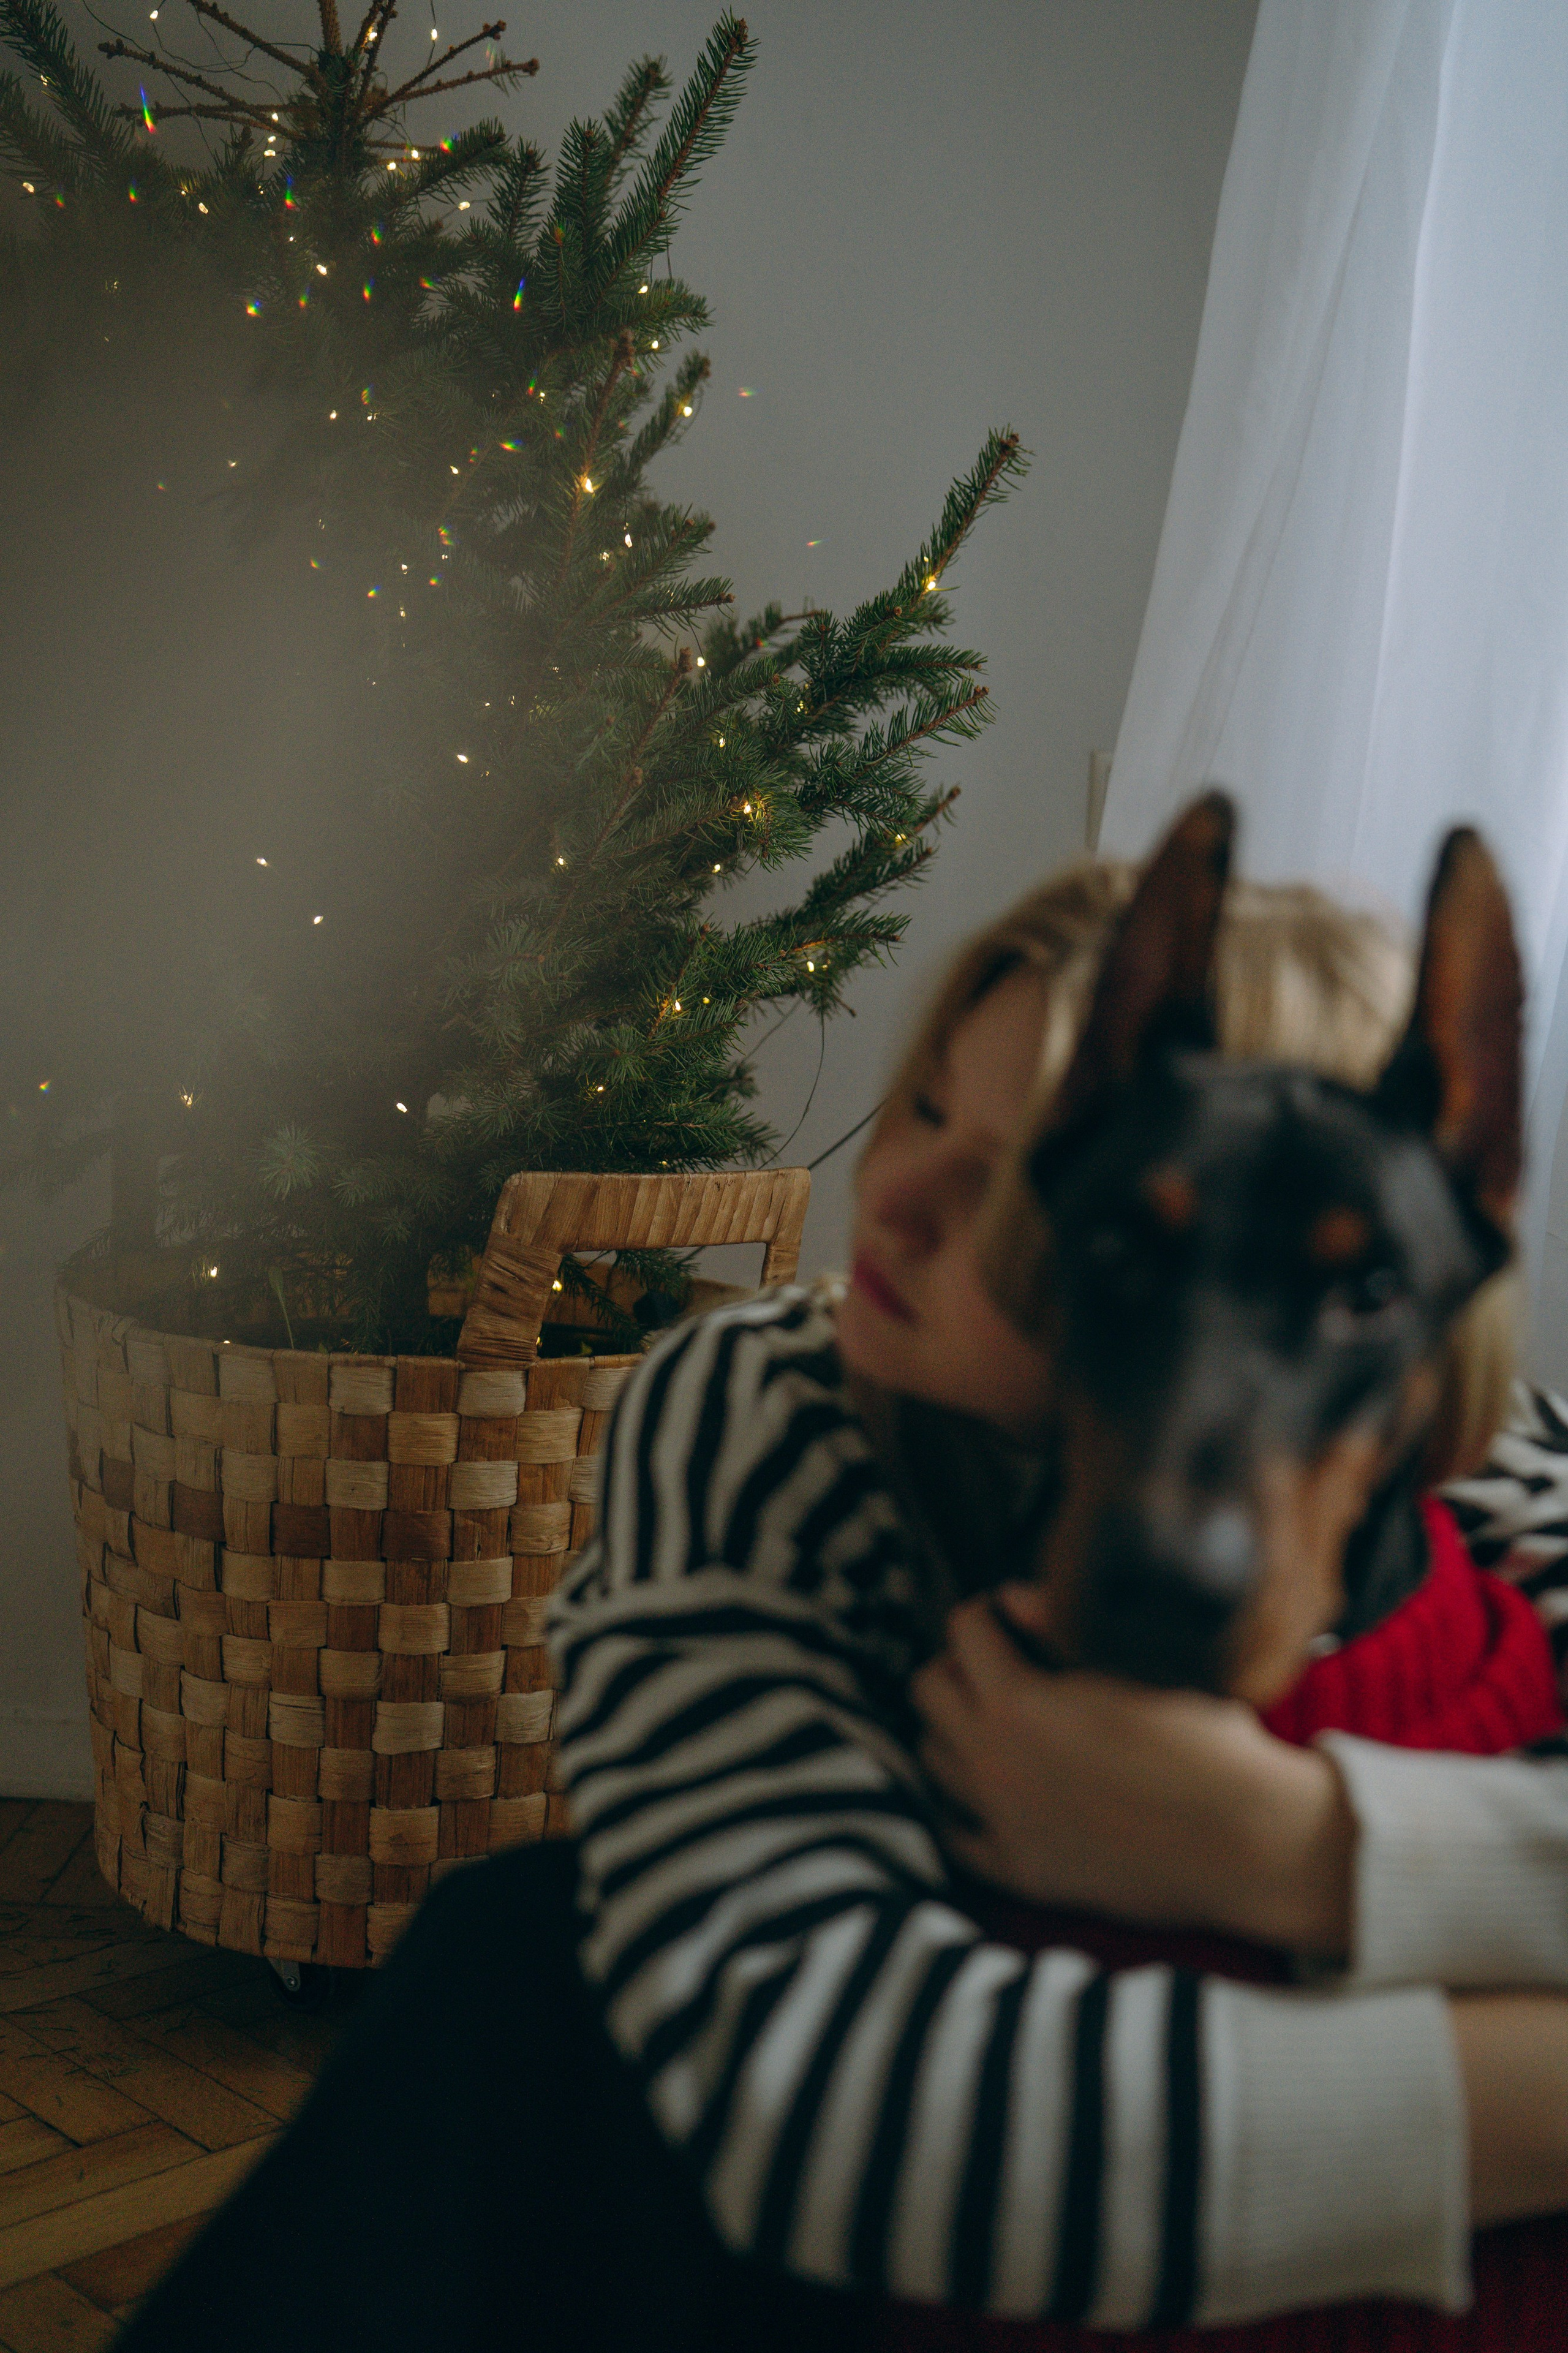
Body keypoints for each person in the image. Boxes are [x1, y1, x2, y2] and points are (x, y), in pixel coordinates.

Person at [121, 855, 1568, 2353]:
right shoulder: (767, 1410)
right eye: (925, 1105)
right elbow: (827, 2106)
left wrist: (1279, 1845)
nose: (897, 1199)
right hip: (857, 2191)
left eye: (1011, 1175)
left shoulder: (1486, 1473)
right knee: (525, 1949)